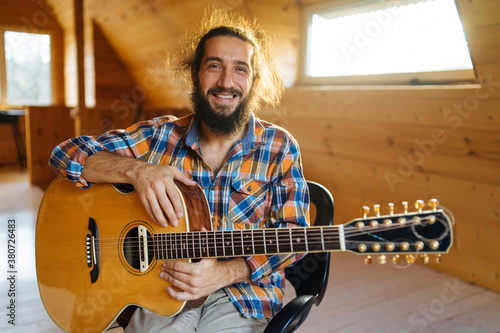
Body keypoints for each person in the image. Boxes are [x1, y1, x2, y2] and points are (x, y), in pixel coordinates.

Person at [49, 9, 310, 333]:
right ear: (195, 76)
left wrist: (222, 274)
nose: (226, 82)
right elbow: (64, 155)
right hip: (159, 285)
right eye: (214, 66)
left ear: (254, 81)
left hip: (244, 294)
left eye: (240, 69)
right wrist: (135, 171)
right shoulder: (158, 136)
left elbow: (293, 238)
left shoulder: (280, 147)